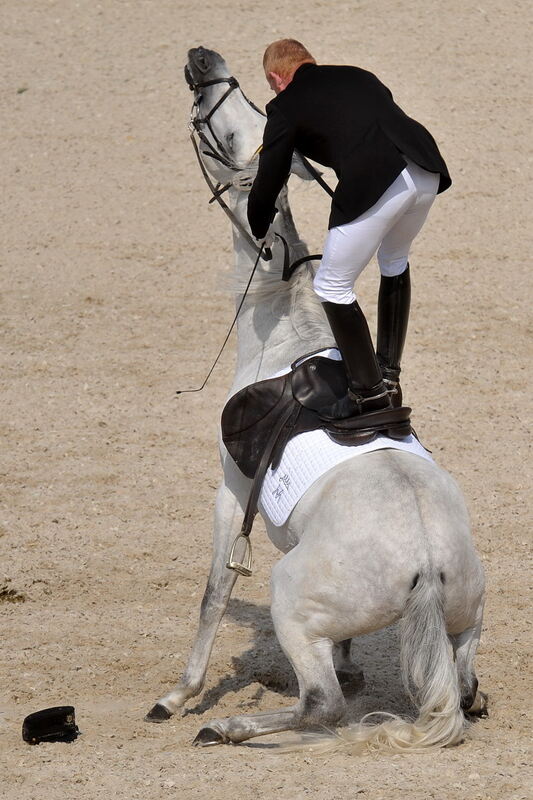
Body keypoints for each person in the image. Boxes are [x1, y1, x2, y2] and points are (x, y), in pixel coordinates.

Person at [247, 39, 451, 424]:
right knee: (393, 261)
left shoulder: (284, 107)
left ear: (276, 78)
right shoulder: (358, 75)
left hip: (379, 181)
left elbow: (269, 174)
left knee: (331, 286)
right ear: (309, 61)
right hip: (425, 171)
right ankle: (389, 378)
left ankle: (369, 394)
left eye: (271, 85)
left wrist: (258, 224)